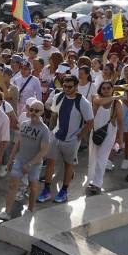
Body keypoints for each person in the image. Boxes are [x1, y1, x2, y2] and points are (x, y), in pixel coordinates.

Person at [38, 75, 93, 204]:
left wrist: (78, 137)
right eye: (64, 86)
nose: (66, 89)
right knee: (50, 162)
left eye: (69, 87)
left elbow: (90, 122)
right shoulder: (59, 97)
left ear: (76, 86)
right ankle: (46, 190)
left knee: (68, 165)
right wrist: (52, 132)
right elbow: (54, 114)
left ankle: (64, 191)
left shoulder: (83, 102)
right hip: (56, 136)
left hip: (71, 140)